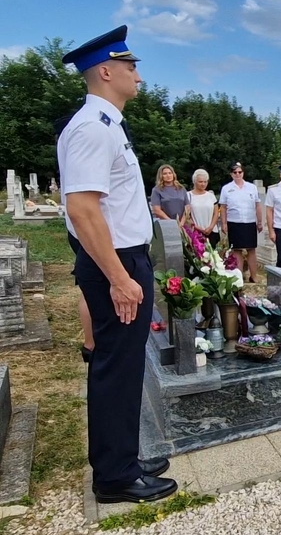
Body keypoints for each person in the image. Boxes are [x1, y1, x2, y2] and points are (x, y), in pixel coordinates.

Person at [58, 25, 177, 503]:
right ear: (106, 71)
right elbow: (83, 209)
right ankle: (114, 477)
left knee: (127, 366)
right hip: (115, 263)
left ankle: (123, 458)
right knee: (115, 366)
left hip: (123, 258)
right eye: (131, 68)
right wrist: (119, 277)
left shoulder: (108, 125)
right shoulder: (92, 127)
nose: (139, 78)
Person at [54, 113, 95, 363]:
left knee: (88, 289)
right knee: (90, 290)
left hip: (77, 231)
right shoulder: (78, 153)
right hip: (85, 232)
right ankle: (91, 343)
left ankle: (91, 343)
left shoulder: (67, 155)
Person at [219, 163, 262, 281]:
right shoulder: (226, 188)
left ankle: (253, 276)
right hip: (234, 222)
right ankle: (239, 278)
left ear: (243, 173)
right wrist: (224, 223)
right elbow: (223, 207)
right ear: (231, 174)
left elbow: (257, 205)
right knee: (237, 250)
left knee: (251, 249)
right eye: (235, 172)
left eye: (240, 172)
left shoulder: (251, 187)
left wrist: (259, 221)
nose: (237, 174)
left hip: (249, 221)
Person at [188, 169, 220, 247]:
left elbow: (216, 213)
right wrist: (199, 228)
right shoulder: (188, 196)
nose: (203, 184)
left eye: (205, 182)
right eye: (200, 182)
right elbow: (187, 216)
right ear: (194, 182)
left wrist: (211, 227)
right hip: (196, 232)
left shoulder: (211, 196)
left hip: (212, 231)